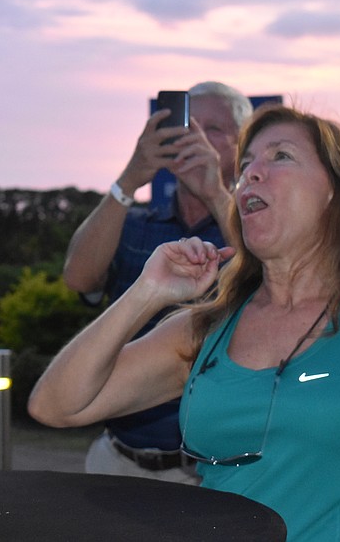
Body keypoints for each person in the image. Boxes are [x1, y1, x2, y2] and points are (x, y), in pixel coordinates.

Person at [30, 104, 340, 541]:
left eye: (280, 157)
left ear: (336, 191)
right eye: (245, 166)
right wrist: (147, 292)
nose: (251, 175)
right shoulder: (207, 328)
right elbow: (56, 405)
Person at [62, 81, 253, 483]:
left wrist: (217, 195)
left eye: (213, 129)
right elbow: (78, 277)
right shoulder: (134, 226)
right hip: (117, 461)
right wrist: (131, 177)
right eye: (188, 124)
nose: (195, 137)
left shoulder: (257, 232)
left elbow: (271, 279)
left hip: (212, 473)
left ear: (241, 149)